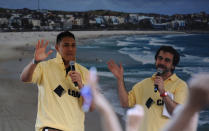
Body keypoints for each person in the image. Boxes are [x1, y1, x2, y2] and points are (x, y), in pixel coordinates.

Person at [20, 31, 93, 131]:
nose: (70, 49)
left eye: (73, 45)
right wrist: (35, 62)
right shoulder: (45, 67)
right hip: (51, 128)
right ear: (57, 48)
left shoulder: (85, 73)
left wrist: (81, 85)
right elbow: (24, 78)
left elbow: (90, 107)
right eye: (66, 45)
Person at [107, 46, 188, 131]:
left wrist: (162, 92)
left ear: (173, 66)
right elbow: (125, 103)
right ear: (156, 60)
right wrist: (120, 79)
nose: (162, 62)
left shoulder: (180, 85)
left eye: (167, 60)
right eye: (160, 58)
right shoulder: (144, 84)